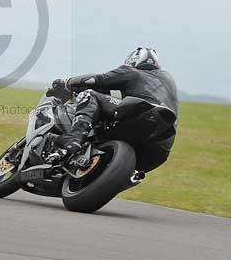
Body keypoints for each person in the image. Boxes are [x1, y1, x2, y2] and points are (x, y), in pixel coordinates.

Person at [50, 47, 179, 178]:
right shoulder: (168, 80)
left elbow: (97, 80)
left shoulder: (132, 72)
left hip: (141, 116)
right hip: (161, 146)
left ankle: (75, 137)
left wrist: (66, 83)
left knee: (90, 95)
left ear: (134, 60)